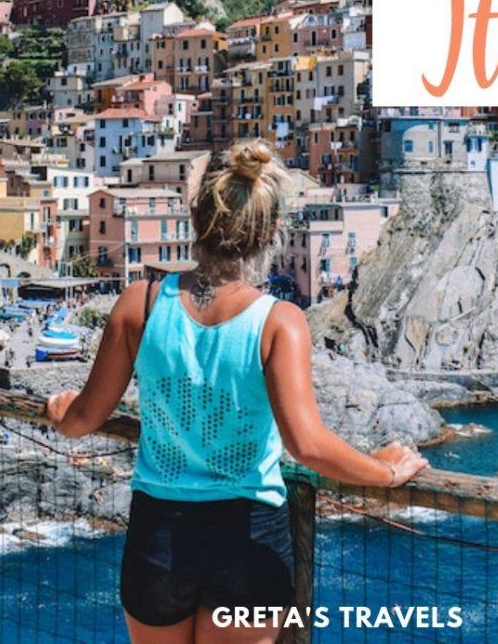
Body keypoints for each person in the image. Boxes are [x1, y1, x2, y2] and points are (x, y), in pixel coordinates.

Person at [46, 141, 427, 644]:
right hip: (247, 539)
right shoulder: (279, 322)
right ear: (270, 232)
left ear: (195, 216)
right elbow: (307, 444)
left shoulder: (139, 304)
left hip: (157, 537)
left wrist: (59, 409)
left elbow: (84, 419)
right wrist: (384, 473)